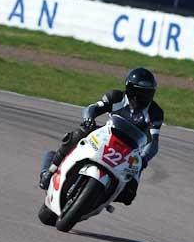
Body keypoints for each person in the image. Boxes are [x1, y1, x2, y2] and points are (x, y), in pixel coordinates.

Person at [39, 67, 163, 205]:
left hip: (131, 150)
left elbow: (153, 142)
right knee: (79, 133)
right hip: (106, 136)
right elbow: (92, 108)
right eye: (139, 92)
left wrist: (144, 159)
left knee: (129, 195)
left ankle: (100, 198)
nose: (142, 97)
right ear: (129, 89)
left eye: (147, 93)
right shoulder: (116, 97)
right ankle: (50, 170)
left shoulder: (155, 112)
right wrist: (88, 119)